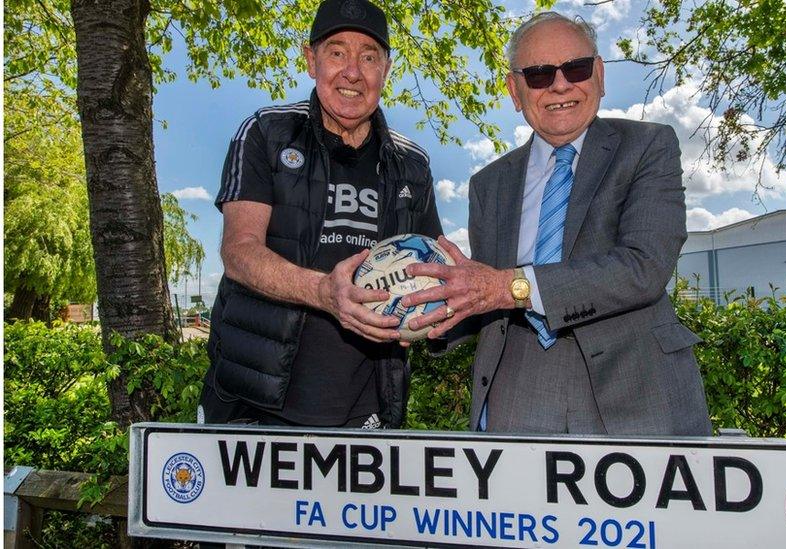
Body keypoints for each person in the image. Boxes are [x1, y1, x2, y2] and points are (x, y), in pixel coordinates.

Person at [402, 12, 711, 436]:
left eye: (576, 68)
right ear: (515, 90)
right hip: (517, 389)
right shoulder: (487, 184)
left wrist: (508, 287)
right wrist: (436, 313)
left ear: (599, 74)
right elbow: (487, 292)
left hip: (635, 390)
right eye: (539, 74)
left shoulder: (648, 146)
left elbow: (644, 267)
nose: (560, 85)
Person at [199, 0, 441, 430]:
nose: (353, 71)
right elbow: (238, 253)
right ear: (311, 60)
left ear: (386, 69)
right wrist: (325, 293)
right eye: (336, 52)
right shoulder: (266, 133)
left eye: (369, 56)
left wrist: (444, 310)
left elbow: (432, 269)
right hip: (253, 402)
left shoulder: (412, 165)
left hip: (366, 411)